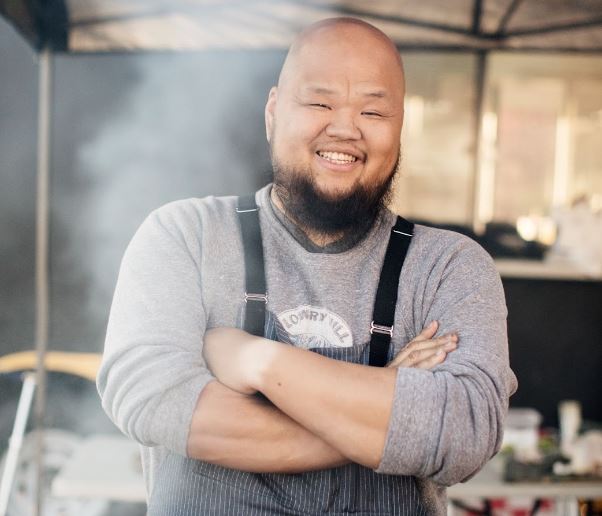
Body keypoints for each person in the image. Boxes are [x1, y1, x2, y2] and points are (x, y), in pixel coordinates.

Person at [97, 17, 517, 515]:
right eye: (319, 103)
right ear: (273, 112)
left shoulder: (448, 266)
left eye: (374, 110)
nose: (344, 127)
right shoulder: (186, 236)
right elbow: (150, 398)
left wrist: (257, 360)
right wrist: (383, 407)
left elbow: (464, 433)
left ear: (400, 127)